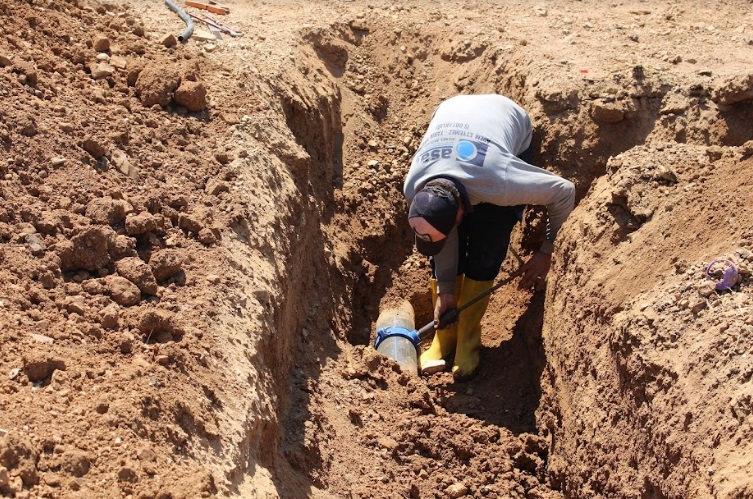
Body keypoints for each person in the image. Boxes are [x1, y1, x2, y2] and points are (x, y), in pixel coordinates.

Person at [403, 94, 575, 380]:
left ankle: (467, 339)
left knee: (488, 244)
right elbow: (443, 239)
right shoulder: (415, 186)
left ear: (461, 213)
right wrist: (445, 292)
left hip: (504, 122)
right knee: (444, 249)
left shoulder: (501, 183)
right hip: (452, 110)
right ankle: (444, 338)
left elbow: (564, 191)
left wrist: (547, 250)